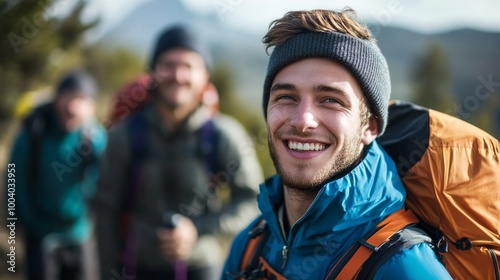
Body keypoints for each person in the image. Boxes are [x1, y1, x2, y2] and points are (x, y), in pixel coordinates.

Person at [222, 9, 453, 279]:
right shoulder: (252, 243)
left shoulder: (406, 268)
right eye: (286, 96)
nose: (302, 121)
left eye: (330, 99)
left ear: (370, 126)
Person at [95, 25, 263, 280]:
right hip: (136, 265)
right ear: (152, 72)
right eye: (168, 64)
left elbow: (253, 202)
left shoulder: (224, 134)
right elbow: (106, 208)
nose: (178, 75)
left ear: (205, 76)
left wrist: (197, 230)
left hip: (201, 265)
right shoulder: (125, 136)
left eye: (189, 66)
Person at [8, 70, 106, 280]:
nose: (73, 107)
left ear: (92, 107)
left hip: (79, 232)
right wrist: (17, 222)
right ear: (56, 99)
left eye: (81, 99)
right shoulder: (33, 133)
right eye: (69, 97)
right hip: (40, 233)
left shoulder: (94, 138)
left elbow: (110, 179)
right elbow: (13, 179)